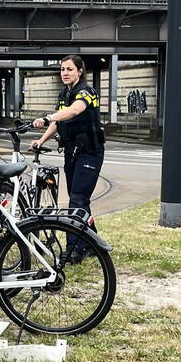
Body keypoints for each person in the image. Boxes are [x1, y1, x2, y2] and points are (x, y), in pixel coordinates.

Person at [30, 54, 105, 263]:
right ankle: (94, 244)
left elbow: (74, 111)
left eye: (70, 69)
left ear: (80, 71)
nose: (65, 73)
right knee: (78, 198)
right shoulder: (65, 94)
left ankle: (74, 249)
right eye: (62, 69)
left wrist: (47, 117)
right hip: (72, 151)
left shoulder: (87, 92)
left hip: (90, 151)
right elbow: (58, 122)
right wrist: (41, 140)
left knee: (77, 199)